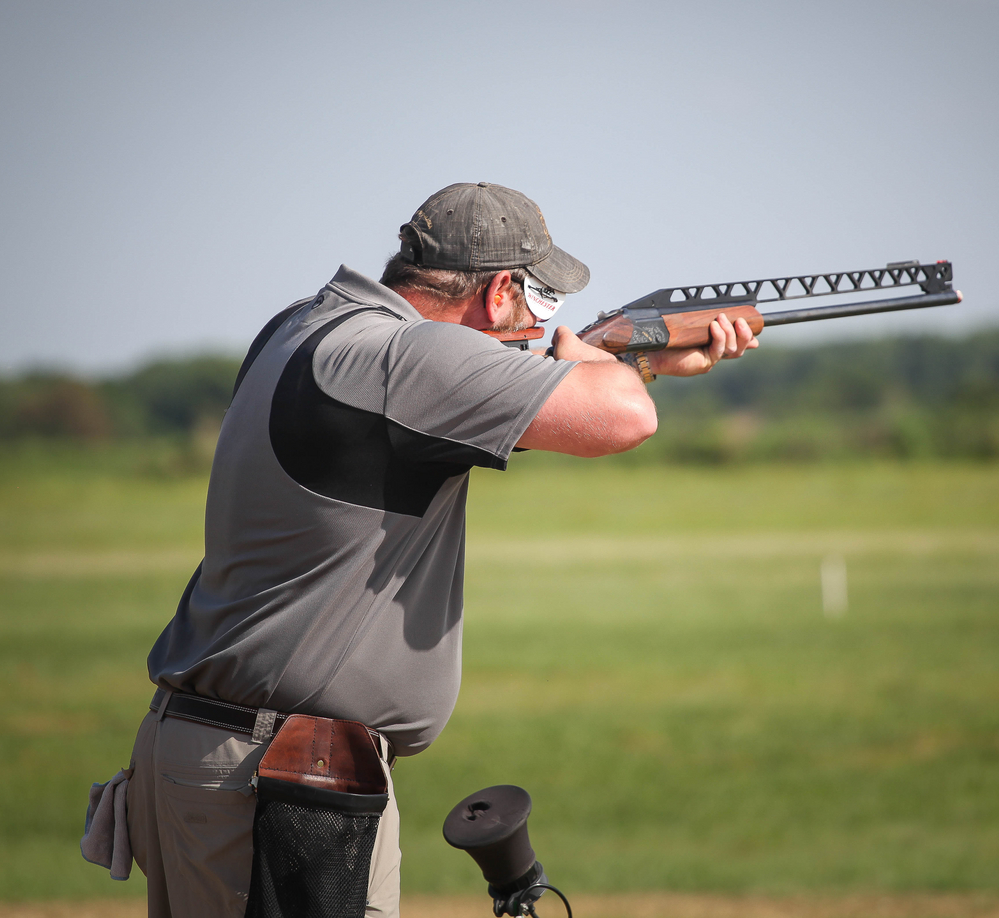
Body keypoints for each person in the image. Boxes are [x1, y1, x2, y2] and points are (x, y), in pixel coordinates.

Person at [120, 182, 758, 917]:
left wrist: (627, 359)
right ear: (497, 295)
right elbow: (622, 419)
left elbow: (531, 407)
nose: (540, 325)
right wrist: (601, 364)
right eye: (539, 306)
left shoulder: (309, 328)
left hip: (229, 759)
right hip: (277, 776)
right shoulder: (402, 357)